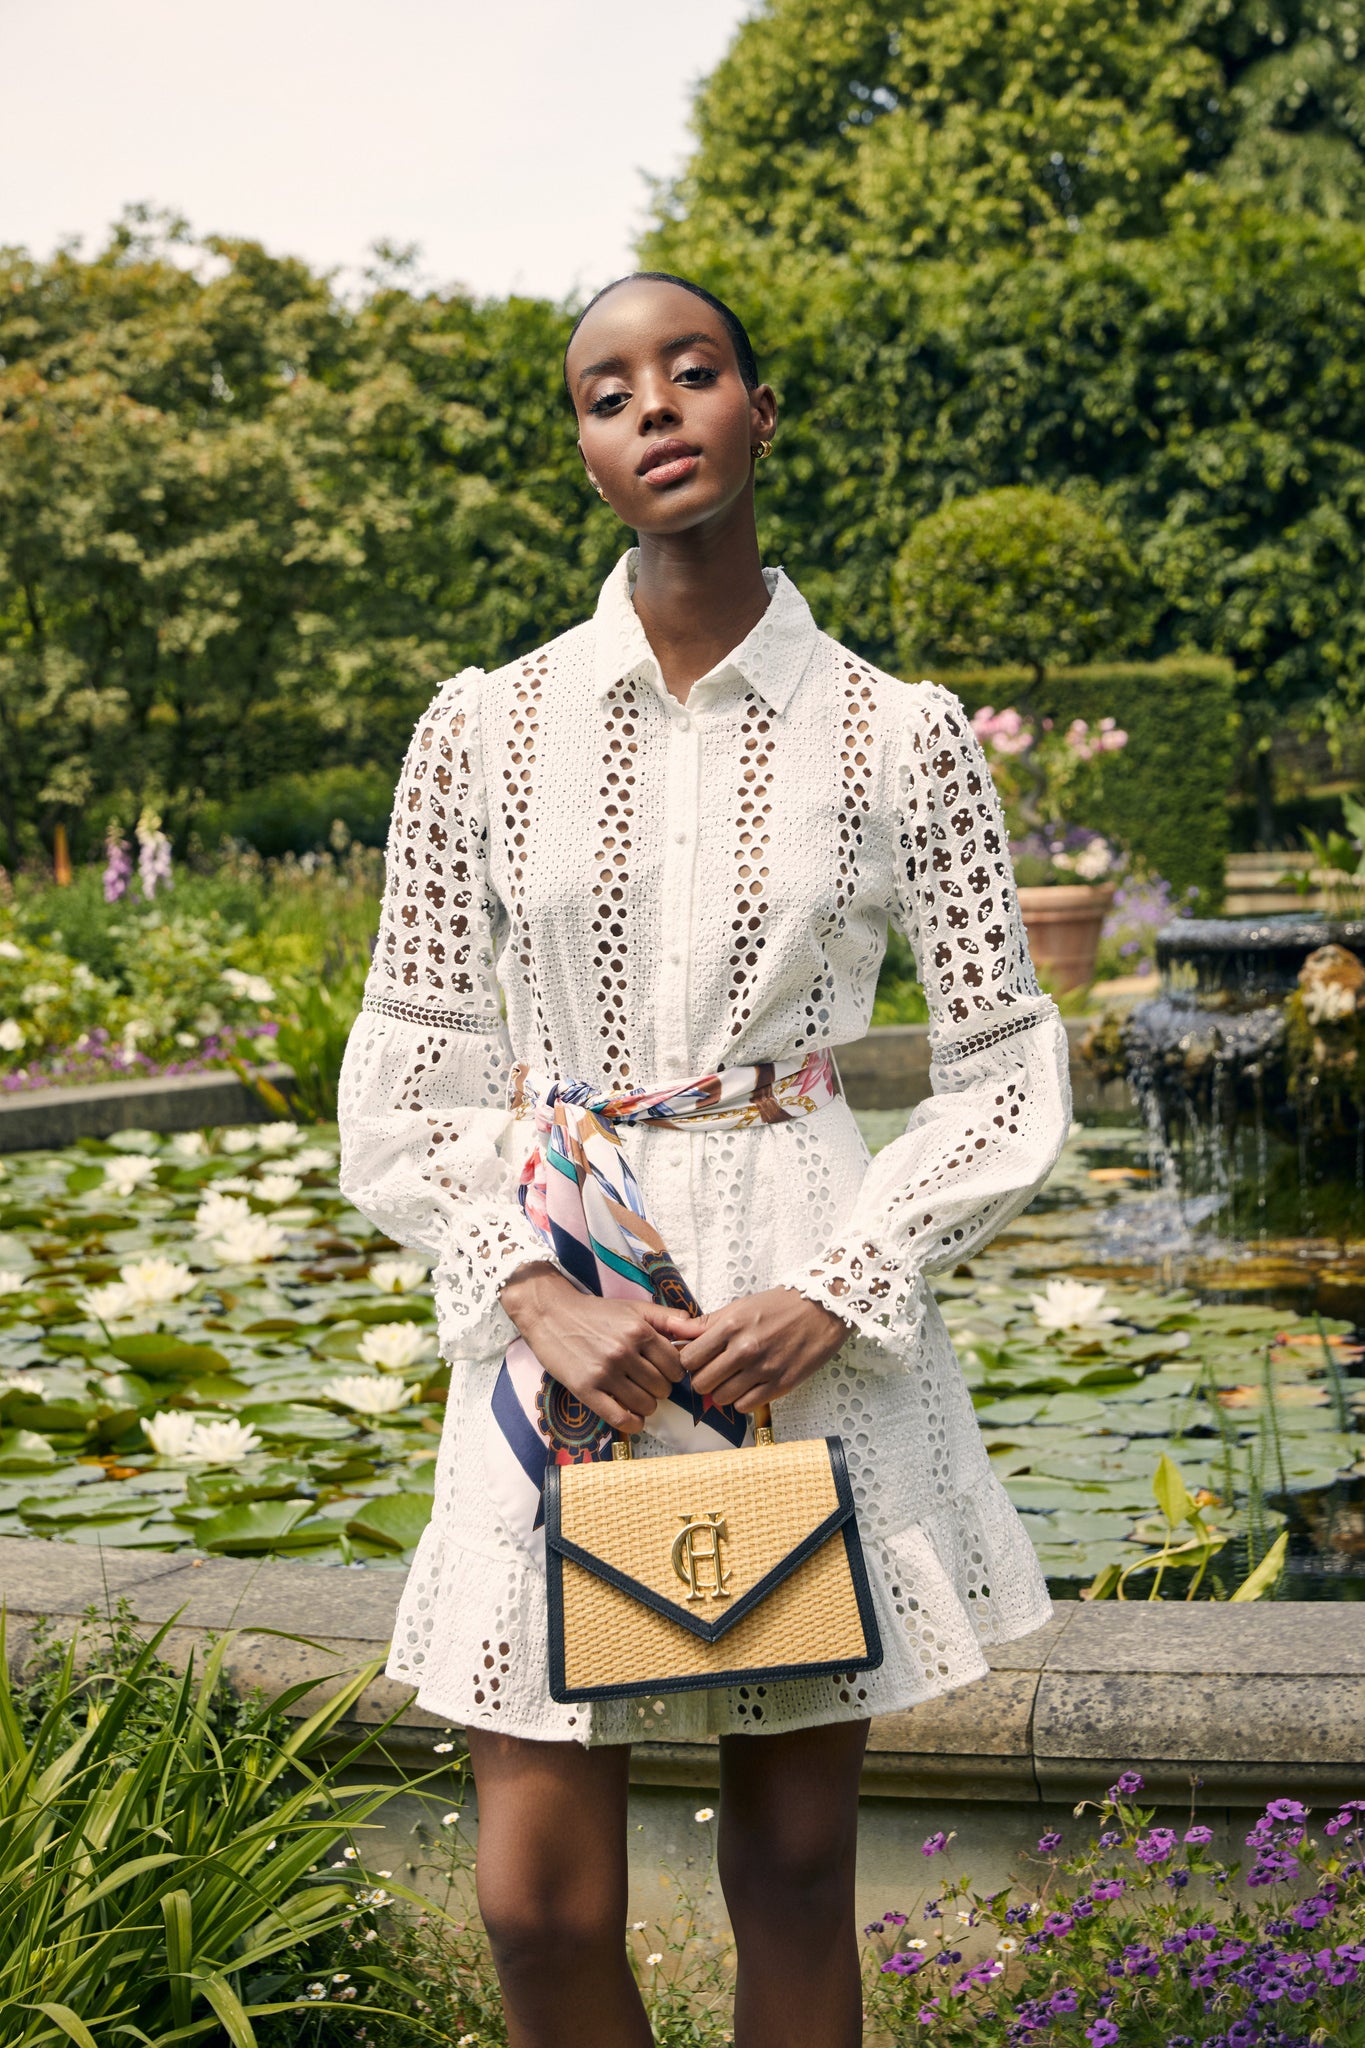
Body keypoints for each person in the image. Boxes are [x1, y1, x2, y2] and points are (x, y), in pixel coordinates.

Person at [338, 271, 1071, 2048]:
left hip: (783, 1306)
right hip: (561, 1304)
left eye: (692, 371)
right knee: (532, 1902)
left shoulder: (898, 730)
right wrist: (522, 1290)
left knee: (801, 1872)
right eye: (608, 391)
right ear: (583, 449)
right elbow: (408, 1066)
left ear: (758, 409)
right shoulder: (481, 727)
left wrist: (839, 1286)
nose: (653, 406)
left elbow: (1001, 1061)